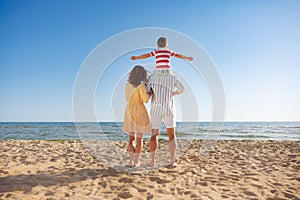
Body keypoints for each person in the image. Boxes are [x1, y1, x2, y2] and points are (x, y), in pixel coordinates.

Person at [146, 70, 185, 167]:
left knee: (154, 134)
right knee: (171, 134)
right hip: (169, 108)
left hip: (156, 108)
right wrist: (173, 93)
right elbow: (182, 89)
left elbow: (147, 92)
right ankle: (172, 161)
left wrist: (152, 92)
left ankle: (152, 162)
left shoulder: (152, 77)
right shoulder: (173, 77)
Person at [122, 65, 151, 167]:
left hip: (129, 111)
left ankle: (130, 161)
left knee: (131, 139)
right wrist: (150, 93)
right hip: (139, 112)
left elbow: (127, 98)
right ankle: (136, 162)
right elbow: (145, 100)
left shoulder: (127, 85)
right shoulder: (142, 86)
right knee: (139, 139)